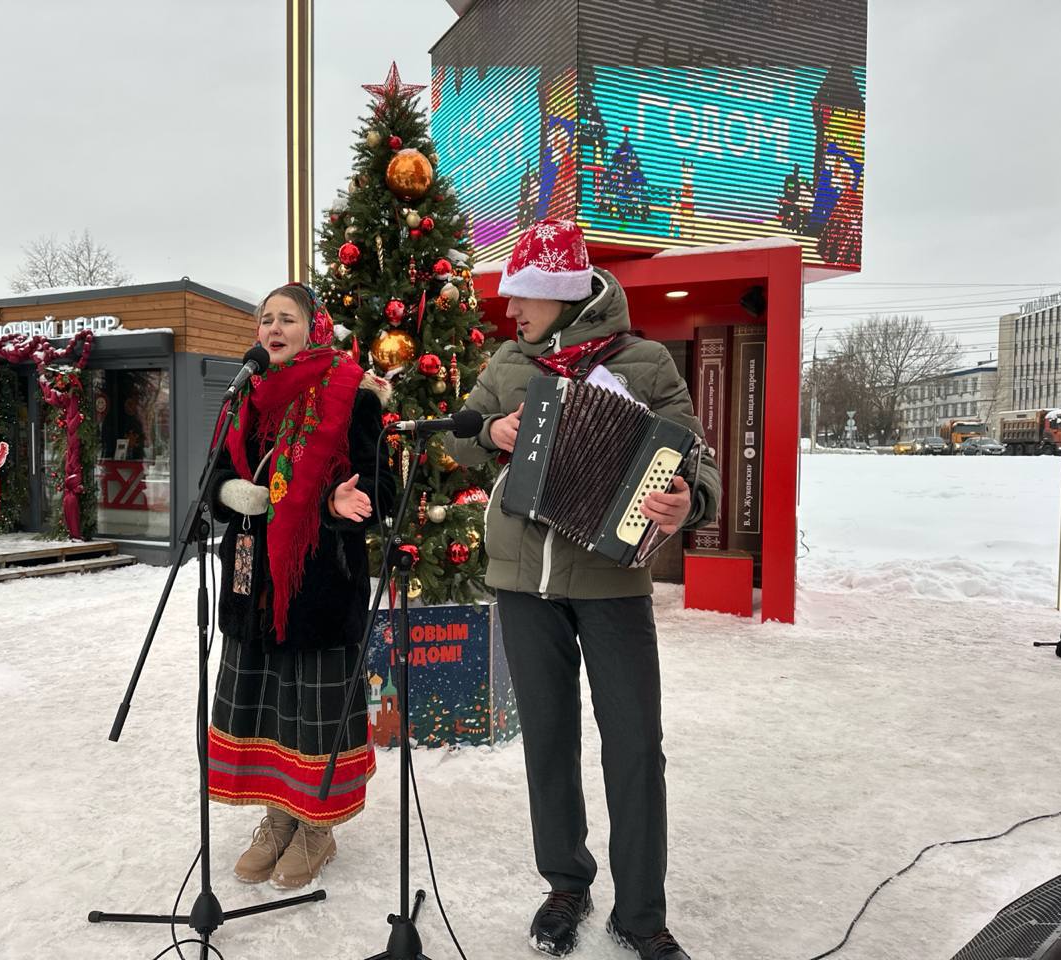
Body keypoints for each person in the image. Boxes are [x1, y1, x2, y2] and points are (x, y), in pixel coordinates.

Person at [445, 220, 721, 959]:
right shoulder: (508, 361)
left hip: (611, 580)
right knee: (549, 741)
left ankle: (641, 913)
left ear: (564, 296)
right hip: (521, 582)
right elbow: (459, 437)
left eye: (526, 298)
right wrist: (492, 433)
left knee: (634, 745)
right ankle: (566, 883)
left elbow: (697, 462)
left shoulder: (645, 362)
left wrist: (684, 501)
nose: (513, 313)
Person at [207, 283, 393, 889]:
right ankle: (277, 817)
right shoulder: (247, 395)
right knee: (269, 707)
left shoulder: (352, 396)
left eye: (287, 318)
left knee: (311, 712)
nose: (273, 329)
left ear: (315, 327)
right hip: (251, 581)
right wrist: (229, 496)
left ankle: (317, 827)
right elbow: (217, 486)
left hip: (320, 586)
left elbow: (380, 496)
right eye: (266, 320)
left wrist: (332, 504)